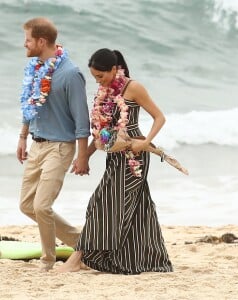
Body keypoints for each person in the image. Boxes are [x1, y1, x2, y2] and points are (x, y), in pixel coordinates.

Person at [56, 48, 173, 274]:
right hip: (114, 156)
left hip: (134, 157)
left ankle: (77, 257)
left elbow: (160, 117)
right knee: (137, 208)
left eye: (101, 76)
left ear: (113, 69)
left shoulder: (133, 87)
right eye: (95, 78)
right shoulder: (106, 92)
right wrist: (84, 157)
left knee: (100, 202)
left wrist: (145, 141)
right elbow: (103, 133)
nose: (99, 81)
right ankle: (146, 259)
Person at [16, 17, 90, 272]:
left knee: (41, 206)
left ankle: (47, 261)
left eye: (27, 40)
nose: (24, 45)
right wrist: (23, 136)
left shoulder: (70, 74)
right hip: (36, 145)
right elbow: (30, 106)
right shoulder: (36, 68)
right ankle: (82, 243)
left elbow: (82, 121)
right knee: (27, 205)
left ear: (41, 41)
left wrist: (83, 157)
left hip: (60, 148)